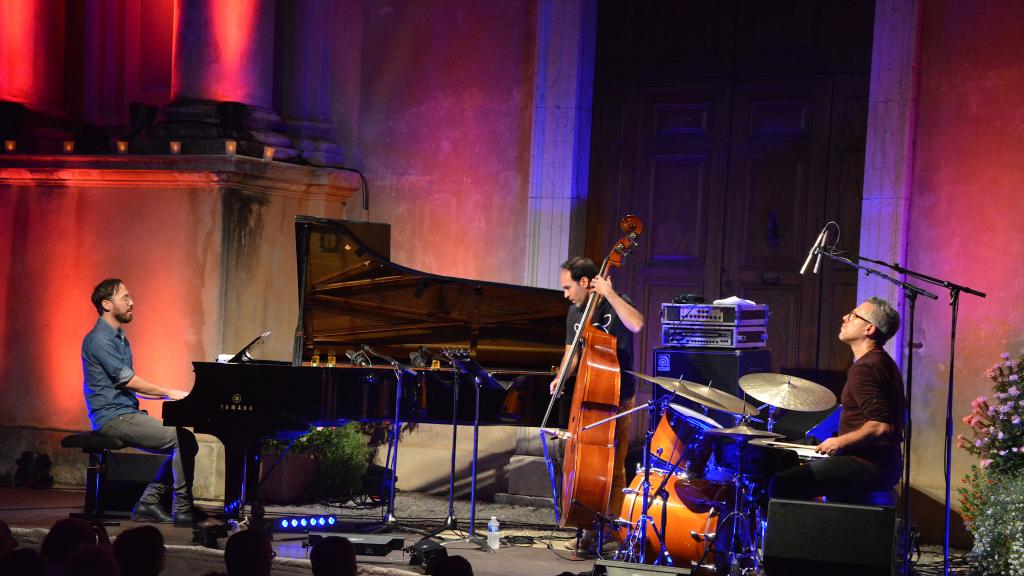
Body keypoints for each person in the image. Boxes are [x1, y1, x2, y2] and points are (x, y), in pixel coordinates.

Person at [81, 278, 198, 526]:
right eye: (125, 298)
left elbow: (129, 384)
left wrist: (172, 396)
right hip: (111, 418)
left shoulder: (119, 337)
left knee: (186, 441)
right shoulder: (99, 339)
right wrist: (170, 391)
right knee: (182, 439)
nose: (132, 302)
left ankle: (149, 502)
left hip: (125, 413)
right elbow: (128, 381)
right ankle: (181, 508)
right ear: (107, 304)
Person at [548, 257, 644, 552]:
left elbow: (637, 325)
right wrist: (562, 379)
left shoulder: (616, 302)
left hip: (618, 397)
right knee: (584, 465)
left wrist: (611, 294)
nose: (565, 294)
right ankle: (587, 525)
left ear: (586, 283)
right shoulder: (574, 312)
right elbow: (572, 353)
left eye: (568, 287)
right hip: (588, 398)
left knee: (614, 468)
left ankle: (612, 528)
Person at [770, 297, 905, 501]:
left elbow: (880, 427)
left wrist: (839, 442)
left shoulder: (865, 369)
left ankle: (804, 532)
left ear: (869, 329)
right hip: (885, 465)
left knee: (782, 483)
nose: (845, 317)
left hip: (867, 465)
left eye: (853, 315)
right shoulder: (883, 362)